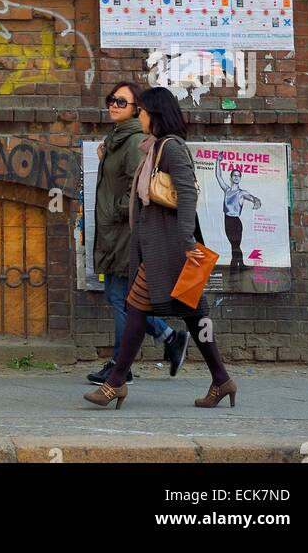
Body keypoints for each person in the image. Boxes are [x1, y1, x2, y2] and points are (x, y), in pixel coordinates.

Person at [84, 86, 236, 411]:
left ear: (154, 114)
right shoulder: (153, 148)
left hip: (171, 249)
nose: (139, 115)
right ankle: (221, 379)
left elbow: (188, 192)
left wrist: (186, 241)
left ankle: (115, 383)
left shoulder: (171, 148)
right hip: (157, 248)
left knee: (143, 310)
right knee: (191, 317)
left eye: (142, 110)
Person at [90, 82, 189, 385]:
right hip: (113, 231)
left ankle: (122, 365)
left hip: (125, 231)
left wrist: (116, 211)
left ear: (137, 110)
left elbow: (139, 186)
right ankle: (170, 337)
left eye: (122, 101)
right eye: (111, 100)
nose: (114, 105)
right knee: (117, 294)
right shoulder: (117, 140)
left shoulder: (133, 142)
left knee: (122, 297)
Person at [216, 159, 261, 272]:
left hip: (236, 223)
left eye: (238, 175)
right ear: (231, 177)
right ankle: (241, 266)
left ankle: (233, 268)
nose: (236, 177)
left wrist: (256, 201)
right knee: (234, 246)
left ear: (240, 178)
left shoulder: (241, 193)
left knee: (235, 246)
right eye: (234, 175)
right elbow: (218, 176)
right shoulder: (226, 190)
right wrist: (218, 161)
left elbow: (253, 197)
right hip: (227, 221)